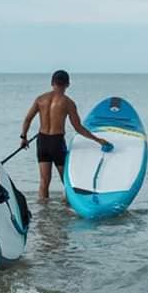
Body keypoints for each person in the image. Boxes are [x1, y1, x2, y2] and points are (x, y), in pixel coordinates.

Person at [19, 70, 111, 199]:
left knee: (44, 182)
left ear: (52, 82)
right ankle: (68, 210)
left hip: (42, 141)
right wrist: (97, 140)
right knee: (66, 181)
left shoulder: (40, 99)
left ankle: (43, 213)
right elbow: (78, 127)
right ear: (68, 84)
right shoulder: (68, 103)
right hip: (56, 142)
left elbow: (27, 119)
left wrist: (24, 137)